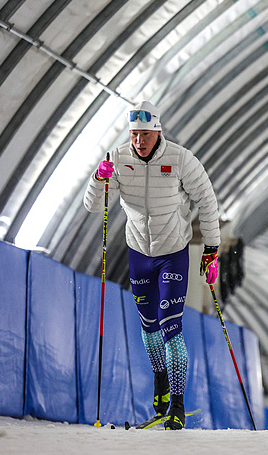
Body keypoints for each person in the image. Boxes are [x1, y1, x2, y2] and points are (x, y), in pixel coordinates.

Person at [84, 100, 220, 430]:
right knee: (149, 329)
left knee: (171, 328)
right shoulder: (118, 158)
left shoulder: (180, 159)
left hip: (173, 252)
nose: (139, 141)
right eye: (134, 135)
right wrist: (98, 179)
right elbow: (92, 205)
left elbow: (207, 199)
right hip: (138, 255)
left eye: (145, 134)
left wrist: (212, 249)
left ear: (157, 131)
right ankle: (160, 382)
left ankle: (176, 403)